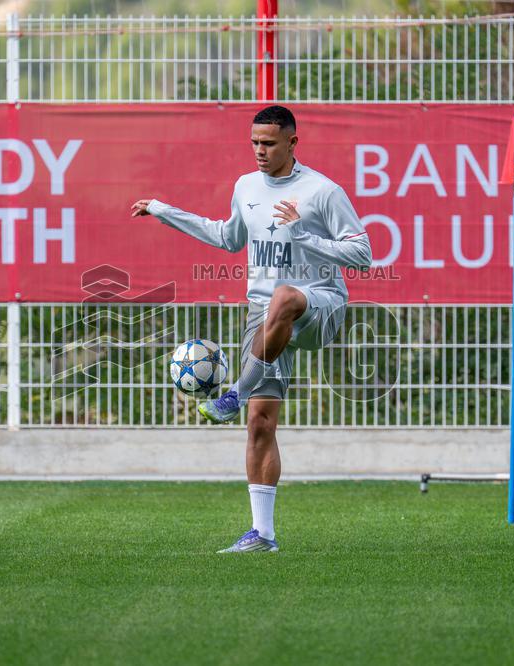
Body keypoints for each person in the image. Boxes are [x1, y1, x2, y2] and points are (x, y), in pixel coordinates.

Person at [129, 105, 372, 553]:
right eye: (255, 143)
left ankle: (235, 392)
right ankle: (262, 534)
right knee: (260, 423)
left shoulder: (322, 191)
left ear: (293, 143)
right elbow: (227, 237)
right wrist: (163, 210)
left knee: (285, 296)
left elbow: (363, 254)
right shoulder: (246, 187)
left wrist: (304, 236)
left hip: (319, 305)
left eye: (270, 143)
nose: (260, 151)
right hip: (264, 315)